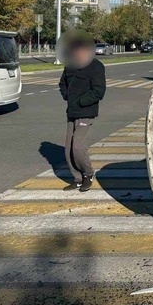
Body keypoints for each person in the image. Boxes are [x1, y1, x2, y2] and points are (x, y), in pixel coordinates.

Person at [58, 34, 107, 192]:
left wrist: (80, 101)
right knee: (68, 149)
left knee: (78, 147)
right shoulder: (70, 65)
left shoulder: (96, 67)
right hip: (71, 112)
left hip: (86, 111)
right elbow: (62, 83)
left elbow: (99, 91)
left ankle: (88, 174)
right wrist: (67, 95)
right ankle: (77, 179)